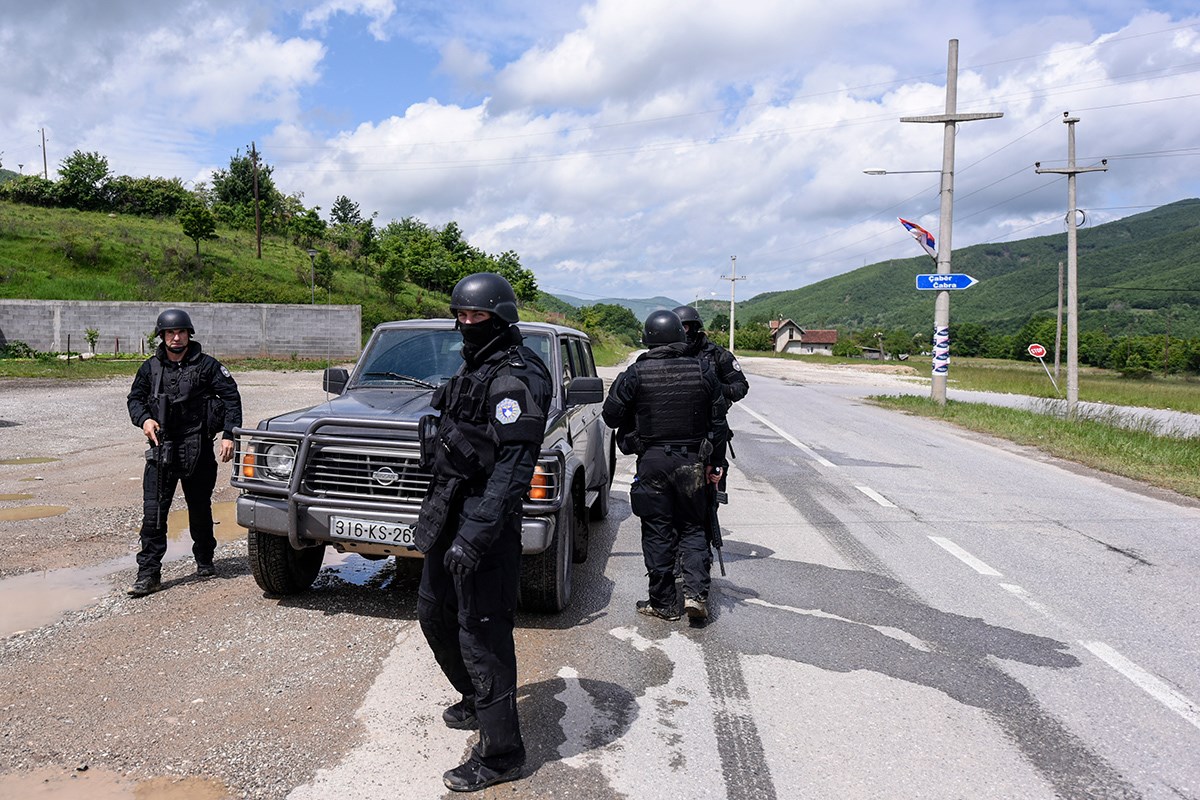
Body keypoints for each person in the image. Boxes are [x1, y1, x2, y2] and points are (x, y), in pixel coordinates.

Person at [413, 272, 551, 793]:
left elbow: (514, 470)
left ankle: (502, 754)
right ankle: (475, 698)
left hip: (485, 521)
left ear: (501, 318)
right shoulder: (476, 363)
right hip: (448, 507)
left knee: (483, 634)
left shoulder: (517, 376)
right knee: (433, 612)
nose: (468, 323)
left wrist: (476, 534)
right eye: (463, 315)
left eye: (478, 316)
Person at [602, 309, 728, 622]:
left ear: (649, 339)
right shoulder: (702, 370)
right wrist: (716, 463)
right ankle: (696, 595)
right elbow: (719, 423)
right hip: (692, 462)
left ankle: (664, 604)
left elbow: (610, 416)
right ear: (680, 336)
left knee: (657, 532)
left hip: (652, 462)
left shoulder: (635, 373)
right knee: (693, 528)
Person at [125, 308, 242, 597]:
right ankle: (148, 574)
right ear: (162, 336)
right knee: (153, 513)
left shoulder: (207, 366)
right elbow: (135, 399)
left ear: (189, 334)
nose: (176, 338)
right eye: (170, 333)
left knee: (199, 507)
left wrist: (229, 434)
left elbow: (231, 397)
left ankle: (205, 559)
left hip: (198, 447)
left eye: (180, 332)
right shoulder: (150, 368)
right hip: (161, 448)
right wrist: (145, 420)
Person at [673, 305, 748, 569]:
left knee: (708, 498)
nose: (682, 332)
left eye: (684, 327)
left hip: (712, 434)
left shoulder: (718, 355)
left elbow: (741, 387)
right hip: (678, 434)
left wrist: (714, 389)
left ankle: (701, 552)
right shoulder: (671, 353)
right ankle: (677, 552)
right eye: (677, 327)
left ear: (694, 328)